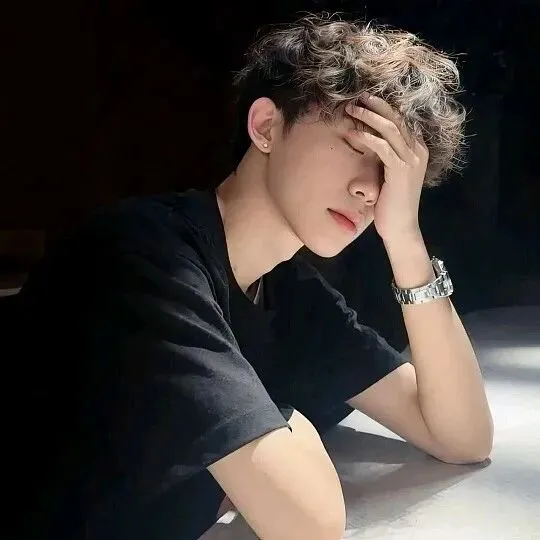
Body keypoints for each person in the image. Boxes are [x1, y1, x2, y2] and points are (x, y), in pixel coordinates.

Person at [14, 12, 494, 540]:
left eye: (391, 172)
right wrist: (284, 428)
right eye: (360, 147)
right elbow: (308, 525)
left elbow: (463, 437)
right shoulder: (142, 259)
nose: (372, 189)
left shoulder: (283, 288)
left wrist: (403, 237)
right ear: (266, 127)